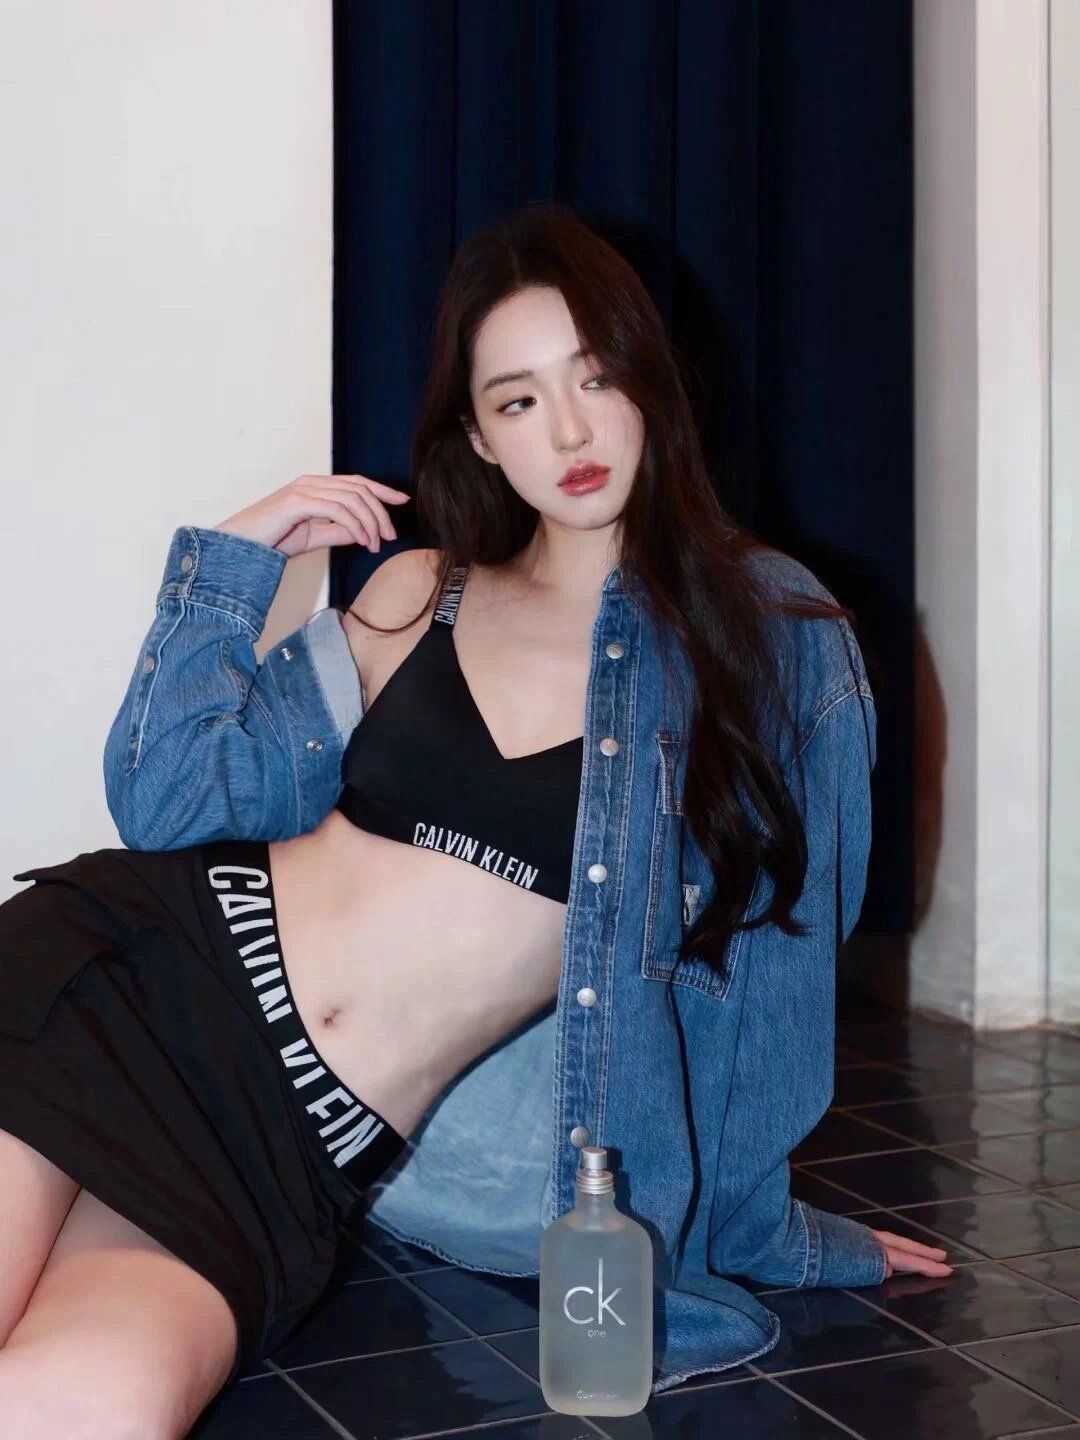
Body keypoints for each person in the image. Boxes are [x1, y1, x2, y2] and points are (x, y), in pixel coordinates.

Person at [0, 203, 949, 1435]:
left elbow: (772, 978)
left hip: (289, 1148)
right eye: (518, 400)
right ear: (480, 440)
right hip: (136, 985)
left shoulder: (772, 644)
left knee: (83, 1412)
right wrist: (233, 558)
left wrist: (779, 1235)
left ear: (652, 382)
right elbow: (173, 796)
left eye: (594, 377)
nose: (569, 431)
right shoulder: (420, 593)